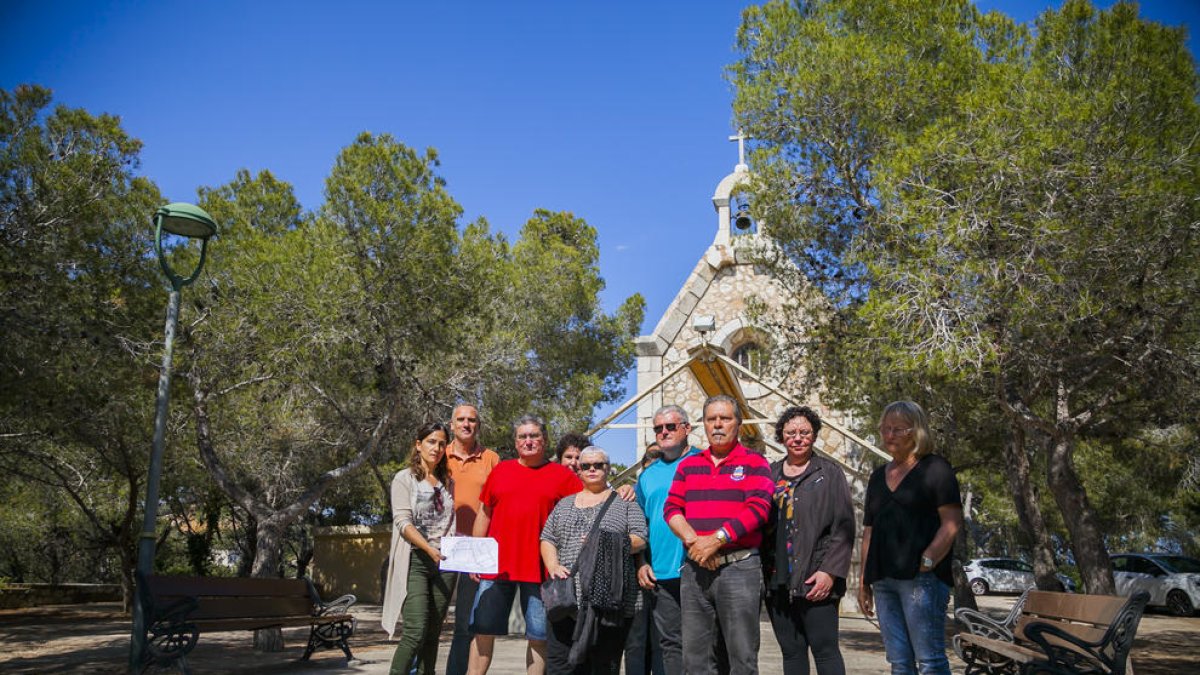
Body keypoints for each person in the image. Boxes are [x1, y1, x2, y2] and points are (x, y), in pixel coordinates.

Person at [664, 395, 773, 675]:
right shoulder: (688, 466)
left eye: (725, 418)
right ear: (703, 424)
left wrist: (716, 540)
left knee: (742, 658)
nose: (718, 425)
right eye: (711, 419)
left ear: (738, 423)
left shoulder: (755, 463)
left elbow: (759, 508)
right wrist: (694, 542)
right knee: (695, 660)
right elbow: (672, 508)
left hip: (739, 569)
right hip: (695, 568)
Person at [468, 415, 583, 675]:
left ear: (544, 440)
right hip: (495, 567)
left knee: (539, 636)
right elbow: (484, 514)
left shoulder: (562, 476)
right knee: (482, 629)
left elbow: (585, 507)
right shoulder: (501, 471)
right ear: (515, 441)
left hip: (540, 570)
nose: (528, 441)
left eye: (534, 436)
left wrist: (619, 490)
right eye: (523, 436)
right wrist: (475, 556)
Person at [857, 401, 963, 675]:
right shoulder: (878, 476)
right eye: (885, 428)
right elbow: (869, 530)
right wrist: (864, 581)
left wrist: (928, 560)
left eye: (897, 429)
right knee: (899, 662)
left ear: (916, 432)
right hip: (883, 581)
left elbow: (951, 523)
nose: (889, 435)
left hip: (921, 580)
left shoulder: (936, 468)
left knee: (930, 661)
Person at [762, 406, 855, 675]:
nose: (798, 438)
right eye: (791, 433)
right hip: (777, 580)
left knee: (825, 653)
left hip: (817, 580)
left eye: (805, 432)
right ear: (781, 437)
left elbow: (844, 526)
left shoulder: (829, 473)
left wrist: (829, 572)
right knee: (792, 654)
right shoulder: (770, 474)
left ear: (814, 436)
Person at [541, 446, 648, 674]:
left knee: (603, 667)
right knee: (561, 666)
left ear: (608, 469)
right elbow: (547, 537)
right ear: (578, 470)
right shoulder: (565, 504)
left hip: (608, 604)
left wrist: (607, 541)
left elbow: (641, 538)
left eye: (598, 465)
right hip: (566, 602)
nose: (592, 469)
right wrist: (552, 565)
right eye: (586, 466)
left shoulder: (625, 501)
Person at [382, 422, 458, 675]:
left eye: (441, 443)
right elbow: (403, 523)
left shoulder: (448, 481)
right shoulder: (404, 479)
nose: (436, 448)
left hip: (445, 563)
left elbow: (451, 523)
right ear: (418, 444)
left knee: (433, 633)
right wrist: (428, 548)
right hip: (416, 560)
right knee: (415, 631)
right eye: (431, 442)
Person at [629, 407, 701, 675]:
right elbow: (639, 525)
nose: (664, 432)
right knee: (671, 645)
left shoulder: (704, 462)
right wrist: (641, 561)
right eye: (658, 428)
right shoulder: (647, 476)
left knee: (706, 642)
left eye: (670, 426)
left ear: (687, 428)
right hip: (660, 573)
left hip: (700, 567)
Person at [445, 404, 501, 675]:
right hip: (440, 548)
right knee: (427, 621)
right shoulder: (438, 455)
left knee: (465, 624)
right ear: (452, 424)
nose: (466, 424)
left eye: (472, 420)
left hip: (474, 550)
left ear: (478, 425)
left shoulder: (491, 458)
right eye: (461, 420)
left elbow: (498, 504)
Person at [623, 442, 664, 675]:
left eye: (662, 458)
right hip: (637, 579)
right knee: (636, 642)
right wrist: (640, 562)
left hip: (668, 575)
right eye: (652, 458)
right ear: (644, 465)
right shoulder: (632, 495)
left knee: (662, 641)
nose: (657, 463)